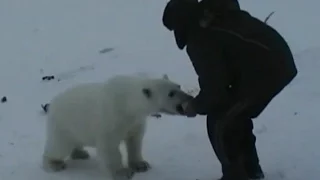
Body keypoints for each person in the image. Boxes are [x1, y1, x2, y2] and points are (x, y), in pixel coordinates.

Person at [162, 0, 298, 180]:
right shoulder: (215, 17)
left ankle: (236, 176)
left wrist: (194, 106)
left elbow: (214, 89)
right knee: (235, 113)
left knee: (219, 120)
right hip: (275, 62)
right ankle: (251, 171)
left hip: (266, 71)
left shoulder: (201, 37)